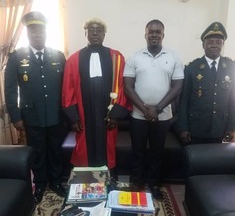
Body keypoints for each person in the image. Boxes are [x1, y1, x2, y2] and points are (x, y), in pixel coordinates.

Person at [4, 11, 66, 204]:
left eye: (40, 31)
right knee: (37, 151)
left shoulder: (58, 56)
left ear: (46, 33)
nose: (37, 34)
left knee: (55, 149)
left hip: (56, 115)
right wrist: (15, 116)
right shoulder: (16, 57)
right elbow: (10, 89)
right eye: (33, 31)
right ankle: (39, 184)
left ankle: (56, 181)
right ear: (28, 33)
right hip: (32, 115)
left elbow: (66, 87)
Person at [123, 19, 184, 201]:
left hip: (163, 116)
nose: (154, 35)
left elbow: (177, 87)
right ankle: (136, 182)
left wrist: (157, 109)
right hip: (138, 115)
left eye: (158, 32)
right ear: (145, 35)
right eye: (151, 32)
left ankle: (153, 184)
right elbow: (128, 87)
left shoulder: (173, 57)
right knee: (138, 150)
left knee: (157, 152)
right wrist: (145, 109)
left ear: (163, 35)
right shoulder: (134, 57)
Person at [62, 18, 130, 178]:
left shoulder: (116, 58)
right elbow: (68, 89)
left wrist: (115, 116)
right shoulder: (74, 59)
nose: (94, 32)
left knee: (108, 146)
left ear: (104, 34)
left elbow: (122, 86)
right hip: (84, 115)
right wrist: (74, 118)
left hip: (107, 115)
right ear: (85, 33)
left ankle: (109, 179)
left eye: (98, 30)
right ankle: (86, 180)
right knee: (84, 147)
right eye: (91, 29)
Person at [177, 22, 235, 145]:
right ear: (203, 45)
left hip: (219, 127)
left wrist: (231, 127)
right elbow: (183, 101)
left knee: (215, 162)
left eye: (218, 42)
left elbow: (232, 101)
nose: (214, 45)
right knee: (195, 161)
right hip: (196, 128)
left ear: (223, 45)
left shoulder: (231, 67)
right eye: (210, 42)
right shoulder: (192, 68)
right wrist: (183, 127)